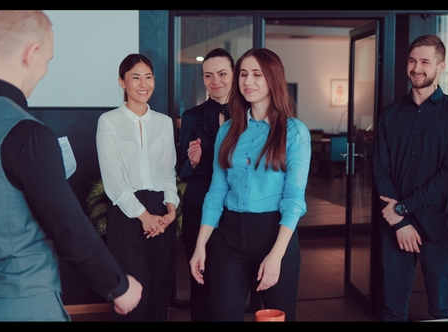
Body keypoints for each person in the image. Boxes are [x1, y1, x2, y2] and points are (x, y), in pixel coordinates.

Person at [0, 10, 142, 321]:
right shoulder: (26, 133)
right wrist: (118, 285)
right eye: (47, 60)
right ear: (31, 53)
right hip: (21, 304)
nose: (44, 69)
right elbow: (68, 227)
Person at [189, 47, 311, 321]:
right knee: (222, 315)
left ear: (273, 79)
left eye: (257, 74)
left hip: (274, 235)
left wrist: (276, 256)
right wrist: (200, 246)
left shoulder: (294, 131)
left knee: (277, 317)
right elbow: (217, 191)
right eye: (243, 74)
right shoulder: (228, 129)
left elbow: (294, 199)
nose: (247, 81)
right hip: (229, 237)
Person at [373, 35, 448, 321]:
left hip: (437, 228)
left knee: (442, 308)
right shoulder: (389, 115)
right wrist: (400, 221)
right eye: (412, 60)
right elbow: (381, 170)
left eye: (425, 61)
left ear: (441, 67)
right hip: (394, 229)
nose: (417, 67)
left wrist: (402, 209)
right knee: (392, 309)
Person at [96, 53, 179, 321]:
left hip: (160, 216)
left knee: (158, 291)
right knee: (131, 295)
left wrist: (171, 211)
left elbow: (168, 173)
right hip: (126, 213)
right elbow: (113, 180)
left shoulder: (164, 123)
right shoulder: (108, 121)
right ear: (122, 82)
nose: (144, 84)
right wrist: (143, 216)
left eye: (148, 77)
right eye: (135, 77)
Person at [177, 48, 234, 321]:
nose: (216, 81)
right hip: (198, 205)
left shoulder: (250, 115)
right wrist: (195, 162)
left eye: (222, 74)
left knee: (230, 279)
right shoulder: (191, 116)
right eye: (208, 75)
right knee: (200, 278)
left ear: (234, 75)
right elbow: (182, 170)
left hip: (235, 206)